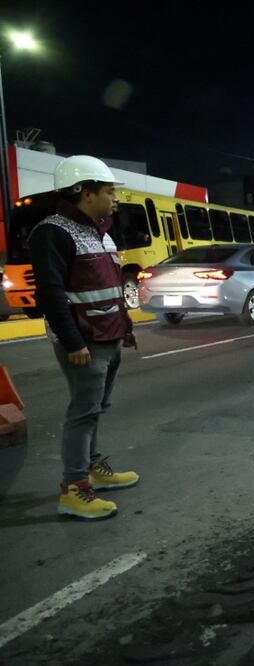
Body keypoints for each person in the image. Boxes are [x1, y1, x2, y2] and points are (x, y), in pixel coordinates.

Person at [28, 155, 139, 520]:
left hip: (109, 336)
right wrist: (73, 342)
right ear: (85, 192)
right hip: (85, 342)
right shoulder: (53, 232)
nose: (114, 199)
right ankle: (73, 489)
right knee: (83, 412)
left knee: (96, 409)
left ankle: (92, 466)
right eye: (109, 191)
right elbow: (50, 293)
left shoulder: (100, 231)